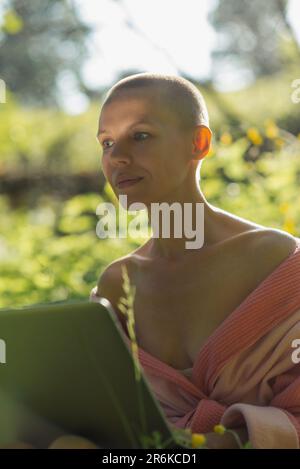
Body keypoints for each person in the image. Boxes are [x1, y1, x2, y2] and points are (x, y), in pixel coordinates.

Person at [89, 72, 300, 449]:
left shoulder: (276, 261)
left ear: (198, 143)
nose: (117, 156)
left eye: (140, 135)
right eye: (106, 143)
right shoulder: (116, 283)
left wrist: (230, 441)